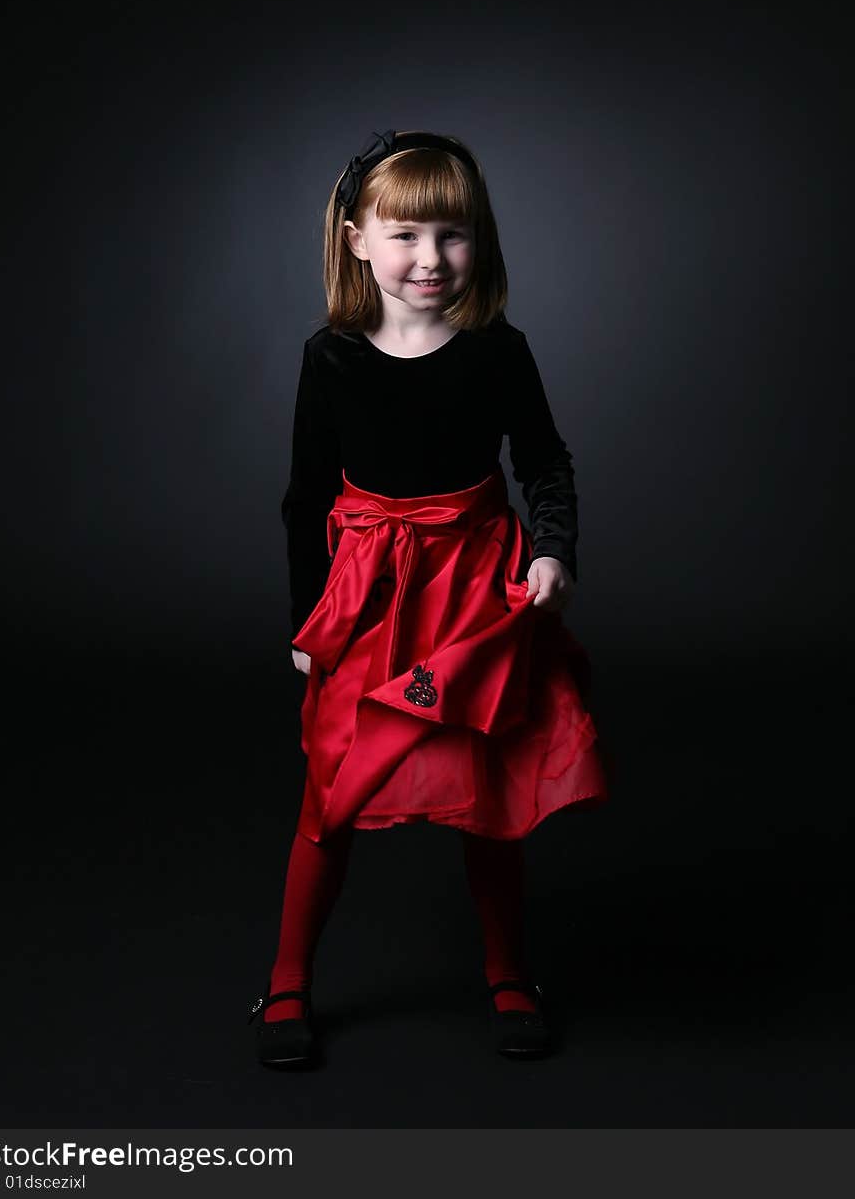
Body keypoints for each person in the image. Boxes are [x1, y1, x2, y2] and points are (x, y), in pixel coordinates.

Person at [250, 129, 610, 1066]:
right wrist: (307, 623)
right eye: (405, 235)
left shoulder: (497, 350)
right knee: (333, 789)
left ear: (477, 243)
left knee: (485, 786)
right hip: (369, 595)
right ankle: (288, 982)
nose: (429, 259)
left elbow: (545, 466)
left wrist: (555, 554)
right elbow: (304, 499)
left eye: (451, 236)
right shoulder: (329, 358)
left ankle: (507, 971)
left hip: (473, 594)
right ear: (357, 240)